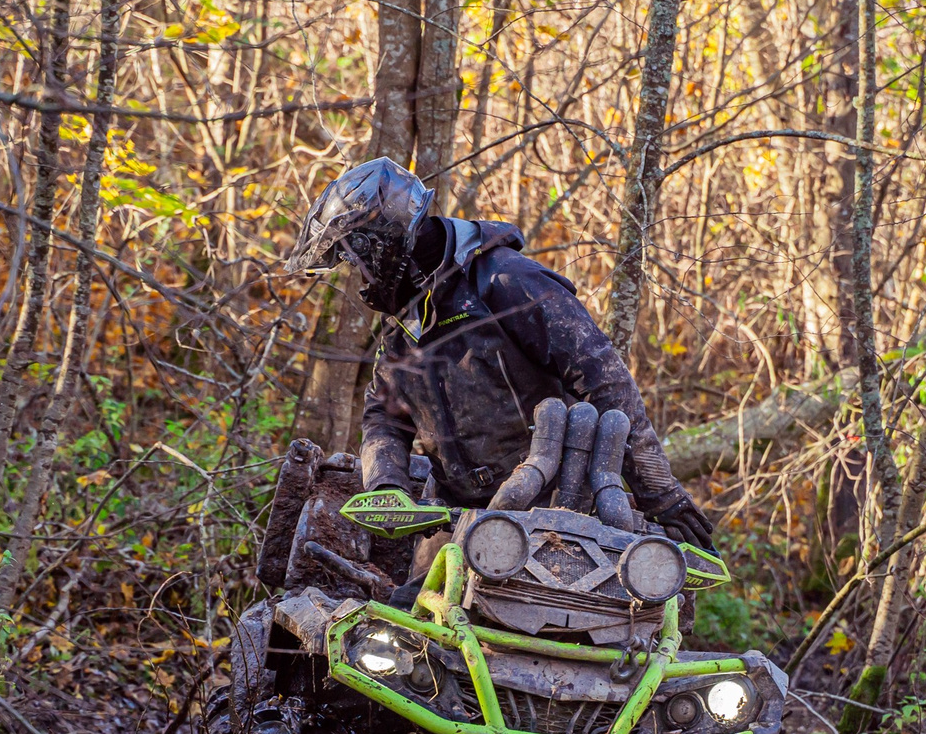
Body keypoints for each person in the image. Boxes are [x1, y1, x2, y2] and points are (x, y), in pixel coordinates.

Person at [285, 157, 716, 551]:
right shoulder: (405, 318)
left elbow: (604, 378)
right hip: (455, 516)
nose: (356, 275)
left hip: (557, 512)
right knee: (406, 623)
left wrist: (659, 491)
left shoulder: (508, 280)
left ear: (383, 243)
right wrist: (385, 484)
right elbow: (383, 415)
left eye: (353, 258)